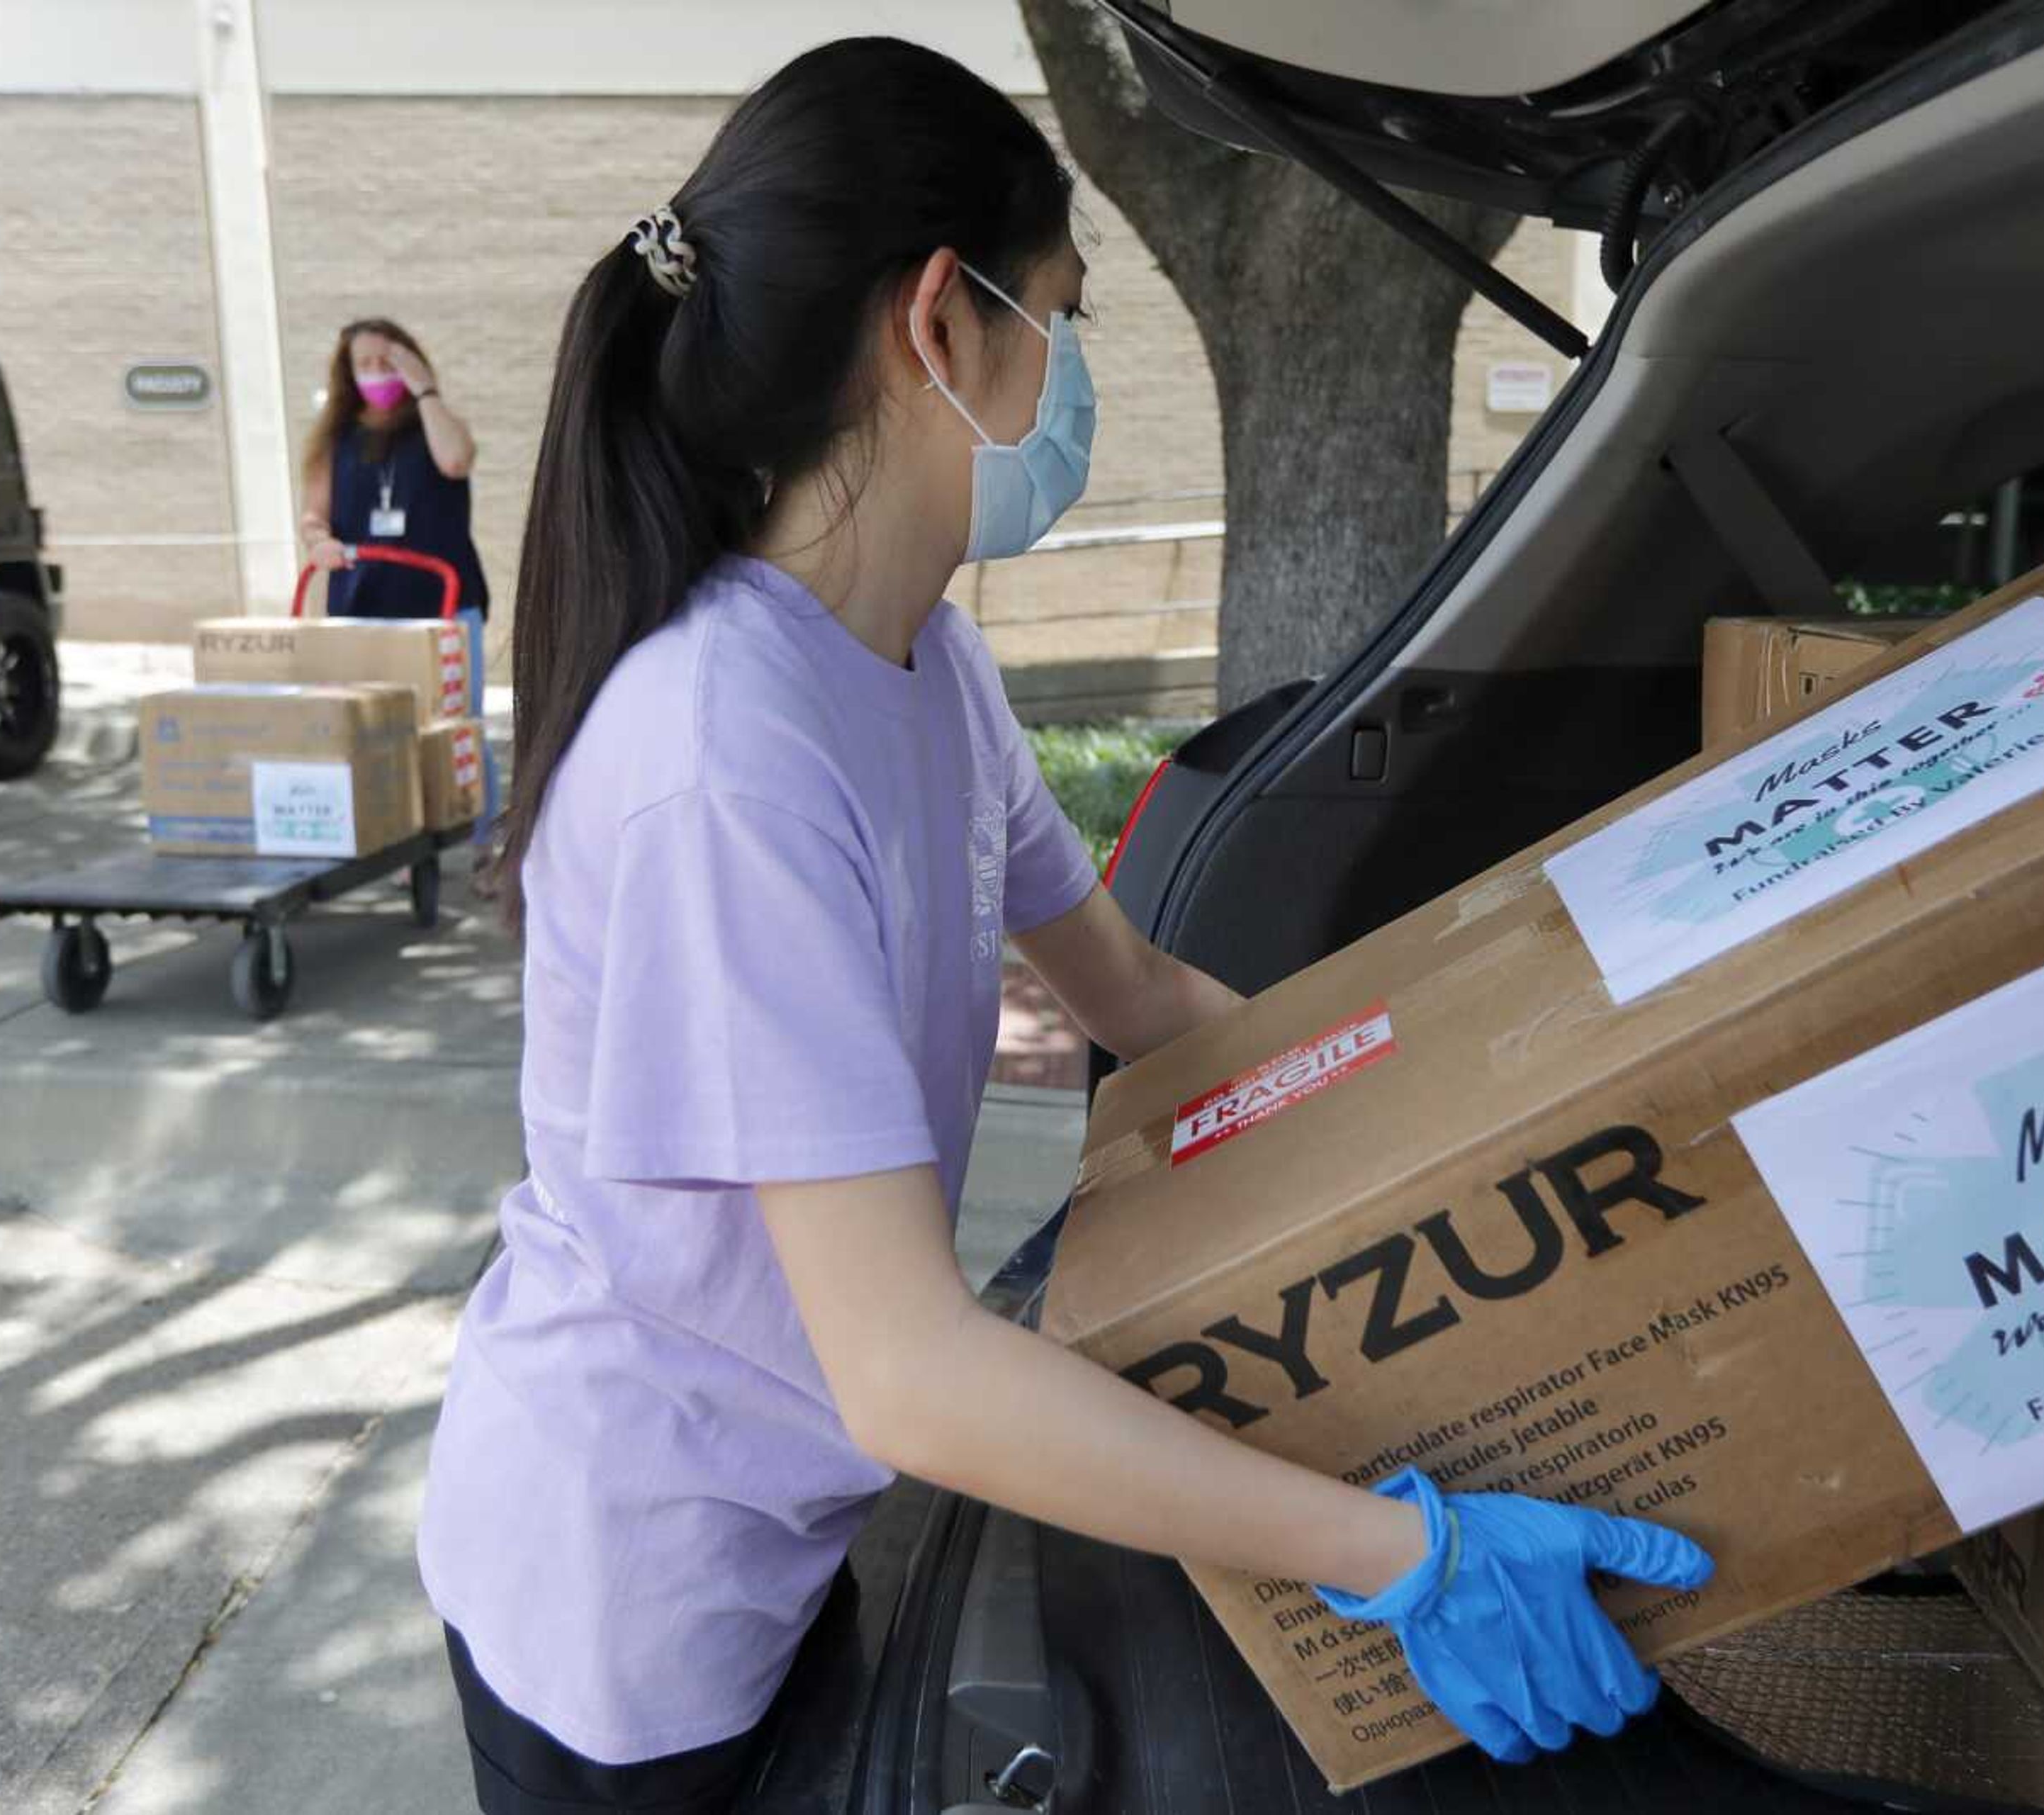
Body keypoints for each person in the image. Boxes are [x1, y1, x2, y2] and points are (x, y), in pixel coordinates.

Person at [415, 37, 1712, 1815]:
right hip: (631, 1602)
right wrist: (1390, 1553)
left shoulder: (920, 660)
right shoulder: (719, 755)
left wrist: (1457, 1113)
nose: (1072, 373)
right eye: (1061, 315)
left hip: (777, 1511)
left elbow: (1144, 989)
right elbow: (914, 1376)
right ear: (940, 324)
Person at [297, 318, 500, 850]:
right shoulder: (335, 438)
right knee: (376, 731)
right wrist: (318, 542)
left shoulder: (435, 423)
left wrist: (424, 389)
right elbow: (313, 516)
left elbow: (457, 460)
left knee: (459, 727)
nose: (376, 373)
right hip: (364, 605)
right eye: (364, 364)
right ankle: (393, 836)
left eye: (387, 361)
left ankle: (483, 844)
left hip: (444, 605)